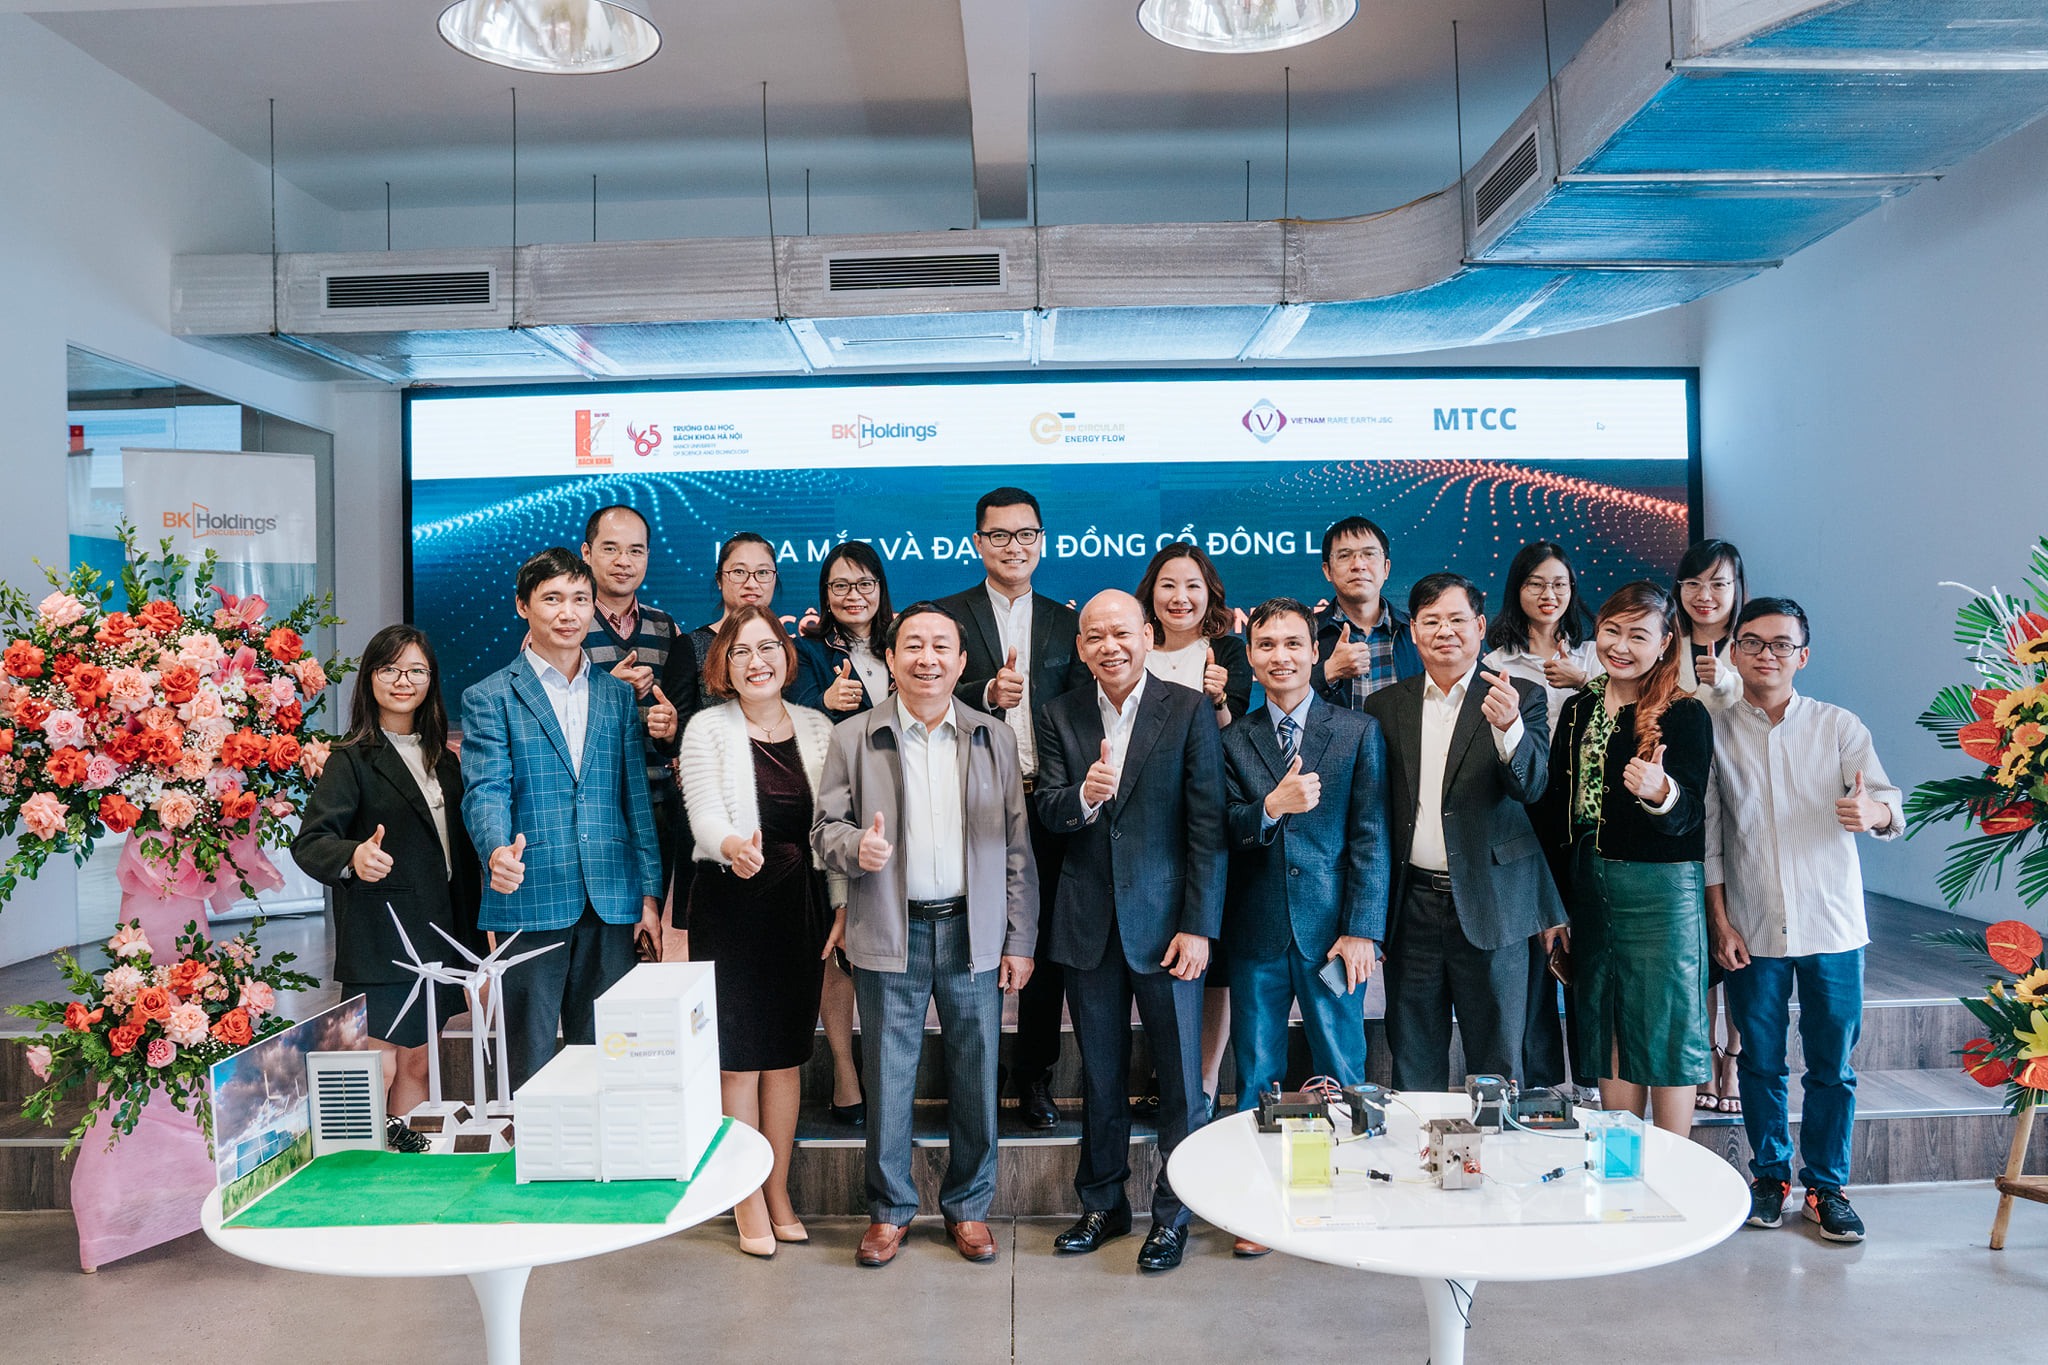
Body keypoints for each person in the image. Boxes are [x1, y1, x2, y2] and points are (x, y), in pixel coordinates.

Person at [810, 601, 1037, 1269]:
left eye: (942, 646)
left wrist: (1019, 938)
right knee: (887, 1078)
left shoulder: (993, 737)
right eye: (913, 645)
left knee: (977, 1075)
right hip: (891, 929)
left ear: (963, 663)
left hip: (972, 930)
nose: (927, 658)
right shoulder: (854, 736)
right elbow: (824, 831)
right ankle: (888, 1212)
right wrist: (856, 847)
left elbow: (1017, 848)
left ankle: (969, 1208)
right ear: (890, 658)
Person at [1035, 590, 1226, 1274]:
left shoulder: (1189, 709)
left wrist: (1199, 926)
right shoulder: (1059, 713)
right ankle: (1104, 1202)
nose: (1109, 646)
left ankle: (1174, 1213)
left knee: (1181, 1081)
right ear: (1081, 647)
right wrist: (1083, 797)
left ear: (1147, 636)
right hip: (1088, 925)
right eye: (1095, 636)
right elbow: (1047, 808)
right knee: (1101, 1073)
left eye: (1121, 633)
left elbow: (1207, 827)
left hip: (1169, 928)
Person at [1706, 598, 1900, 1244]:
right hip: (1752, 924)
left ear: (1803, 656)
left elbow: (1887, 801)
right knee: (1760, 1063)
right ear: (1734, 652)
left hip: (1832, 925)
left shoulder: (1839, 726)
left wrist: (1872, 814)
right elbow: (1710, 837)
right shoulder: (1715, 729)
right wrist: (1720, 921)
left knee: (1831, 1066)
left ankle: (1827, 1186)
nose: (1767, 654)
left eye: (1782, 644)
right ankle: (1769, 1177)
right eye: (1753, 642)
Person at [1219, 598, 1390, 1257]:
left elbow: (1370, 836)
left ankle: (1350, 1194)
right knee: (1255, 1072)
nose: (1281, 656)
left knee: (1343, 1069)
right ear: (1251, 655)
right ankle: (1257, 1207)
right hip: (1256, 931)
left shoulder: (1356, 731)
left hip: (1333, 936)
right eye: (1266, 644)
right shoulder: (1233, 739)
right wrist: (1269, 806)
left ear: (1316, 652)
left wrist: (1362, 928)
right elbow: (1223, 829)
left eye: (1294, 643)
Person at [459, 547, 665, 1090]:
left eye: (580, 599)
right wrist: (495, 850)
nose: (568, 613)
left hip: (611, 897)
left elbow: (634, 800)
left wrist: (649, 895)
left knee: (608, 1058)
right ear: (523, 606)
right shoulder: (490, 696)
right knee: (526, 1061)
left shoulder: (616, 695)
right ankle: (528, 1145)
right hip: (530, 894)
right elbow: (485, 788)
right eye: (552, 599)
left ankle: (600, 1146)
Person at [679, 604, 846, 1257]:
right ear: (724, 663)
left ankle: (778, 1190)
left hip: (800, 905)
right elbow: (702, 814)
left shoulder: (818, 726)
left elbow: (834, 830)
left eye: (768, 647)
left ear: (786, 655)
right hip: (732, 904)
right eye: (742, 650)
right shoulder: (706, 727)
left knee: (785, 1057)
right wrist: (732, 847)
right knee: (739, 1061)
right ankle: (744, 1193)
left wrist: (839, 906)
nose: (757, 661)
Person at [1362, 572, 1562, 1091]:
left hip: (1494, 902)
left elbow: (1532, 788)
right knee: (1414, 1058)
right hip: (1412, 908)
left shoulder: (1520, 696)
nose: (1444, 631)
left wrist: (1509, 728)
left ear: (1479, 626)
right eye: (1431, 621)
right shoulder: (1385, 706)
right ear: (1413, 631)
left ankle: (1499, 1144)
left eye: (1456, 619)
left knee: (1499, 1062)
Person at [1535, 582, 1714, 1136]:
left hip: (1661, 891)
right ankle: (1622, 1157)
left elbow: (1691, 816)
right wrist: (1553, 906)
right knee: (1604, 1017)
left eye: (1638, 635)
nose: (1620, 646)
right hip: (1588, 884)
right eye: (1611, 631)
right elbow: (1554, 810)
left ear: (1664, 643)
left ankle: (1673, 1162)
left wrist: (1663, 793)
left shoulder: (1686, 714)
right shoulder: (1578, 708)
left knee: (1667, 1024)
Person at [937, 488, 1090, 1131]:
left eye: (1026, 534)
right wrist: (983, 693)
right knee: (964, 942)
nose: (1013, 546)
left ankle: (1033, 1076)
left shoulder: (1065, 620)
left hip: (1046, 801)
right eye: (999, 535)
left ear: (1042, 540)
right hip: (969, 803)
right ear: (978, 543)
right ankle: (968, 1076)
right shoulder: (946, 616)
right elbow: (921, 689)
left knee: (1043, 949)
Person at [294, 625, 482, 1121]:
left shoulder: (445, 761)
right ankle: (364, 1163)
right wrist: (353, 856)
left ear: (431, 680)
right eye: (390, 669)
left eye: (416, 670)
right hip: (381, 939)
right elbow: (310, 842)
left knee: (420, 1064)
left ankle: (407, 1160)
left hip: (437, 936)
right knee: (377, 1067)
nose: (404, 681)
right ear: (369, 678)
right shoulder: (349, 758)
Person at [1137, 542, 1253, 1115]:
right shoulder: (1132, 646)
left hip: (1209, 818)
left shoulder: (1227, 650)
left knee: (1213, 957)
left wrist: (1220, 700)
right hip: (1141, 825)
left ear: (1210, 594)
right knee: (1151, 951)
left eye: (1192, 586)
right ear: (1150, 594)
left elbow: (1239, 740)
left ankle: (1202, 1083)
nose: (1180, 597)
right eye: (1168, 585)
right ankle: (1165, 1071)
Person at [1483, 541, 1602, 1095]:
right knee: (1532, 965)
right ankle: (1539, 1088)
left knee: (1584, 955)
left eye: (1559, 583)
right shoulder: (1496, 662)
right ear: (1518, 589)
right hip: (1522, 818)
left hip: (1584, 823)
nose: (1548, 594)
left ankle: (1590, 1086)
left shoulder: (1597, 656)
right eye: (1536, 583)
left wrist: (1586, 684)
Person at [789, 541, 895, 1127]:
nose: (853, 596)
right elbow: (784, 714)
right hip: (834, 812)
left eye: (864, 584)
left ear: (880, 588)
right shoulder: (807, 650)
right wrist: (823, 700)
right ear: (824, 595)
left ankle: (888, 1068)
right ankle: (844, 1070)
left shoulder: (904, 641)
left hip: (902, 813)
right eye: (840, 586)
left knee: (890, 940)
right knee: (839, 941)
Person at [579, 505, 692, 909]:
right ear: (587, 553)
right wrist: (607, 691)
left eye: (635, 550)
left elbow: (679, 719)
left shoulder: (666, 627)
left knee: (648, 925)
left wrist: (672, 727)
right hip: (590, 808)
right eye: (610, 548)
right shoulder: (564, 624)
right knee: (600, 929)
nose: (623, 561)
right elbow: (539, 720)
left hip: (657, 803)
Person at [1672, 538, 1747, 1112]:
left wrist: (1722, 681)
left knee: (1742, 933)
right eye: (1693, 583)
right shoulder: (1663, 642)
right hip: (1683, 802)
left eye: (1718, 584)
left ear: (1736, 589)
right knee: (1699, 940)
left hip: (1744, 799)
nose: (1705, 595)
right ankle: (1704, 1050)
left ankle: (1735, 1056)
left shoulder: (1753, 644)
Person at [1311, 515, 1422, 709]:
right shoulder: (1307, 634)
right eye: (1344, 556)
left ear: (1386, 568)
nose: (1358, 565)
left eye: (1369, 554)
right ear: (1327, 571)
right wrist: (1328, 672)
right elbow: (1280, 702)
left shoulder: (1416, 633)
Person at [690, 532, 780, 682]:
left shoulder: (789, 647)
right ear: (719, 580)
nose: (752, 584)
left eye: (763, 572)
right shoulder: (693, 646)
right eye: (739, 572)